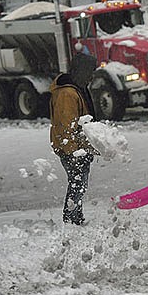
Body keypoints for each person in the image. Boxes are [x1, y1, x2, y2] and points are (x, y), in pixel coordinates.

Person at [50, 53, 99, 226]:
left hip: (78, 147)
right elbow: (66, 125)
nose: (92, 76)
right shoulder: (68, 94)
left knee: (79, 183)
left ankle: (74, 216)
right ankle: (71, 218)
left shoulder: (77, 89)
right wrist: (73, 152)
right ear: (81, 71)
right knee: (77, 183)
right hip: (71, 149)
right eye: (90, 72)